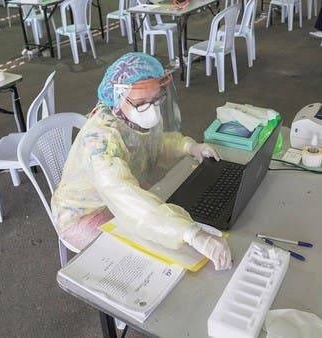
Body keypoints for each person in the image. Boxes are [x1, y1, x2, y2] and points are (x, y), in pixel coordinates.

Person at [51, 52, 232, 271]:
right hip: (83, 213)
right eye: (142, 103)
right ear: (118, 99)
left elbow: (155, 144)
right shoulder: (98, 143)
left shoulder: (131, 114)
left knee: (164, 221)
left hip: (120, 189)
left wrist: (189, 146)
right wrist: (191, 233)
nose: (153, 110)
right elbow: (127, 198)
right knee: (143, 253)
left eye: (156, 99)